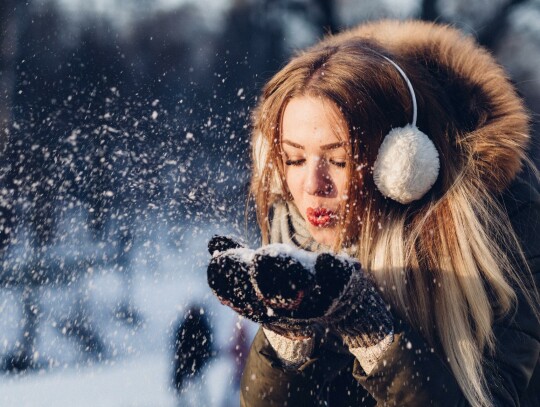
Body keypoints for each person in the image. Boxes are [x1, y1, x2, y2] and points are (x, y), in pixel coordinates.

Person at [206, 19, 540, 406]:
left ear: (401, 164)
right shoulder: (294, 234)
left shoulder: (504, 231)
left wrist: (375, 336)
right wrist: (287, 342)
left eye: (339, 159)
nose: (313, 185)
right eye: (294, 159)